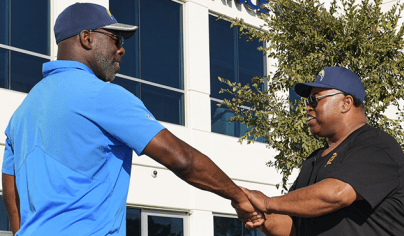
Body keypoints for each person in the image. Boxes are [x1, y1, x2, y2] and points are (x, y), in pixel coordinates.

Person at [1, 3, 262, 235]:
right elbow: (183, 159)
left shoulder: (23, 111)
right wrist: (238, 196)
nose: (122, 50)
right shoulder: (102, 96)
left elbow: (11, 194)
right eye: (116, 39)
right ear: (86, 38)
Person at [237, 67, 404, 236]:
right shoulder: (312, 161)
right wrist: (261, 217)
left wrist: (268, 203)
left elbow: (337, 194)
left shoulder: (376, 144)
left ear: (346, 103)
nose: (308, 108)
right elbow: (293, 226)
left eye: (314, 100)